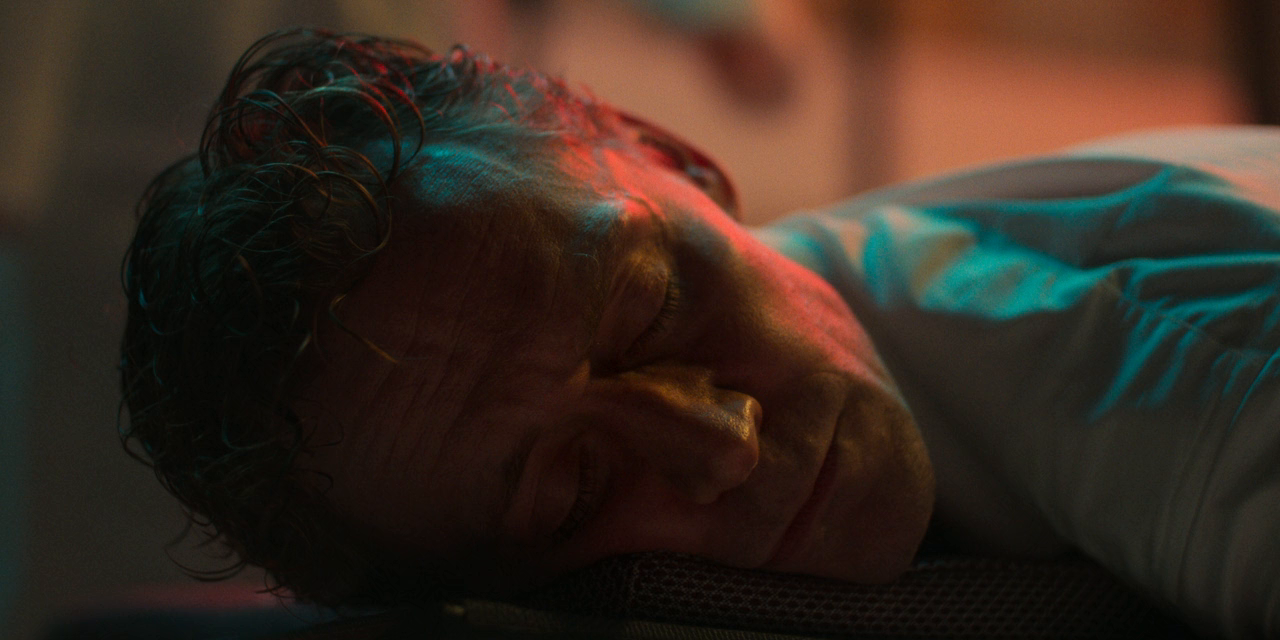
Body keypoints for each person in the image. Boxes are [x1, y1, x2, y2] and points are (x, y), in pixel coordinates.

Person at [120, 28, 1277, 639]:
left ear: (669, 153)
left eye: (651, 304)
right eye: (574, 490)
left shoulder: (1180, 366)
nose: (718, 442)